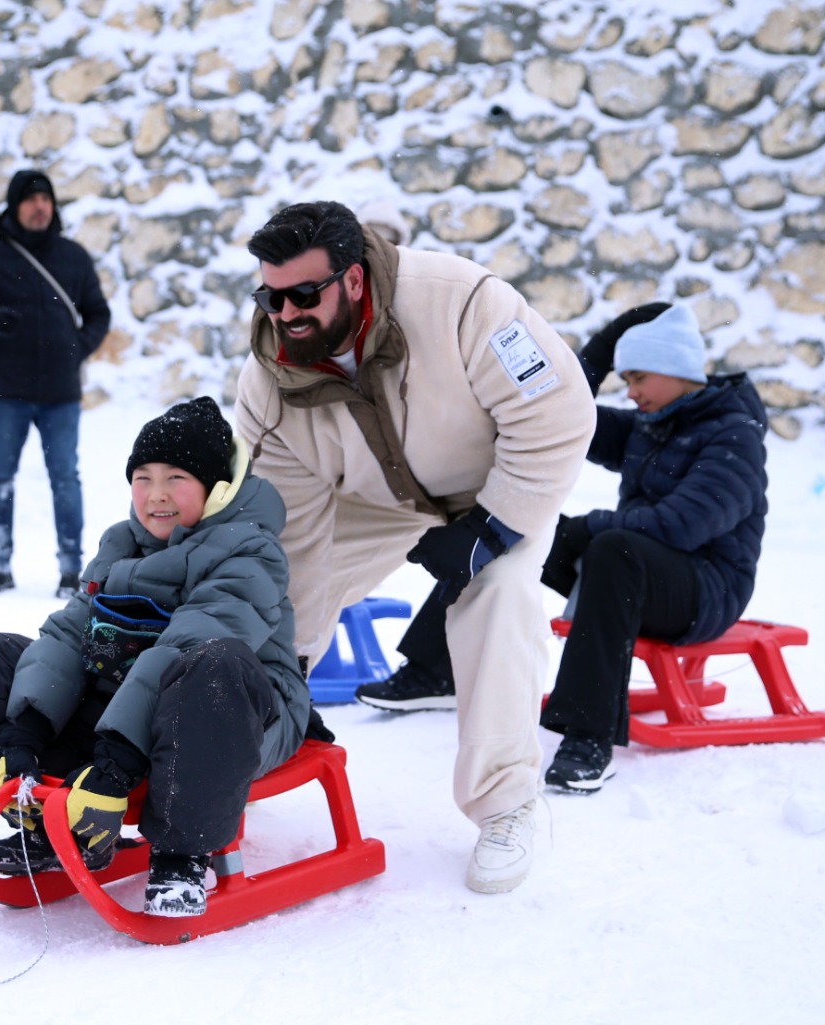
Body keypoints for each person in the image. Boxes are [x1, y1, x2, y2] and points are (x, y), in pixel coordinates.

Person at [233, 201, 596, 894]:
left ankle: (506, 805)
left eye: (304, 294)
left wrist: (493, 528)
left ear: (355, 281)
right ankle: (233, 752)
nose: (285, 313)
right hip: (372, 499)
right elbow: (292, 536)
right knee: (262, 592)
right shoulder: (270, 384)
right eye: (269, 296)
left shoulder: (464, 304)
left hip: (498, 486)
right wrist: (292, 661)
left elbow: (557, 410)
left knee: (503, 598)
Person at [355, 301, 770, 795]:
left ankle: (588, 737)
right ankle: (432, 669)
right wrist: (602, 346)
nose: (631, 392)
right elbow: (562, 410)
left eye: (638, 378)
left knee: (613, 548)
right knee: (517, 524)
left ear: (677, 369)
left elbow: (682, 525)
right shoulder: (651, 424)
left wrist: (589, 527)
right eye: (626, 379)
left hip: (706, 591)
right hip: (632, 570)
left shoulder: (734, 434)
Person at [0, 397, 312, 917]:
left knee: (209, 665)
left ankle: (182, 853)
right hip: (130, 703)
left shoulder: (249, 552)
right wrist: (23, 731)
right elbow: (71, 636)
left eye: (176, 478)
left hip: (236, 714)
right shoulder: (120, 543)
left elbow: (187, 643)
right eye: (143, 477)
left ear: (217, 488)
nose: (155, 495)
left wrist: (115, 768)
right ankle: (46, 817)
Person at [0, 169, 111, 597]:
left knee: (65, 479)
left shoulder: (73, 257)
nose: (40, 206)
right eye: (31, 200)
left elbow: (99, 312)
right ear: (14, 206)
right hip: (7, 391)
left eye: (46, 199)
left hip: (60, 393)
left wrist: (77, 347)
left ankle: (71, 570)